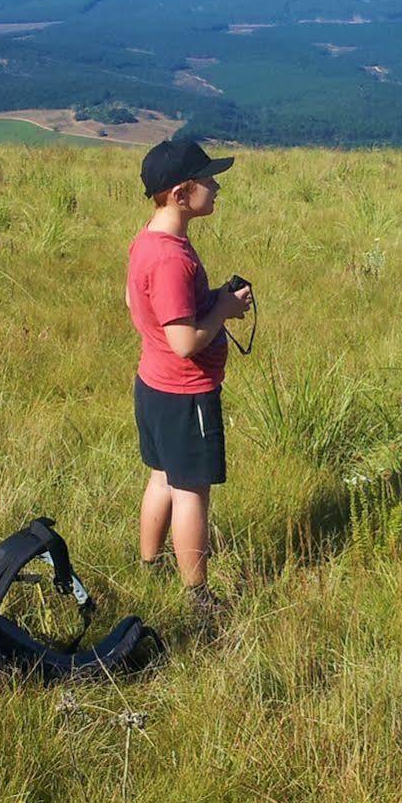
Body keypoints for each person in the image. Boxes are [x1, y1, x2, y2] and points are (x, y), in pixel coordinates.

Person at [127, 138, 251, 629]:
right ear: (181, 193)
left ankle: (148, 565)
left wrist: (210, 302)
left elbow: (139, 306)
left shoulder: (146, 242)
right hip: (185, 394)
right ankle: (197, 599)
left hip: (153, 386)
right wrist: (223, 309)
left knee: (161, 477)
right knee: (192, 492)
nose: (217, 186)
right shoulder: (174, 259)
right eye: (209, 180)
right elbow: (183, 341)